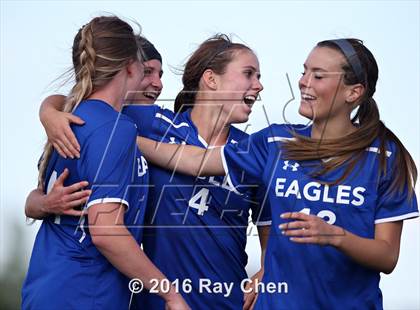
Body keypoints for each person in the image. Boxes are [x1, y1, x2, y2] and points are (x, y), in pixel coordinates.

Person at [136, 38, 419, 309]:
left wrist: (335, 236)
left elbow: (387, 256)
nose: (303, 81)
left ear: (353, 92)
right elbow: (196, 159)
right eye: (304, 71)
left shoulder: (385, 157)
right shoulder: (275, 142)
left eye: (318, 75)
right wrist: (126, 137)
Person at [27, 34, 270, 309]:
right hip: (159, 302)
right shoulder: (151, 121)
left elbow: (268, 232)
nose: (259, 85)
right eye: (249, 74)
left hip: (228, 302)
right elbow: (86, 103)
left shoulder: (251, 151)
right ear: (211, 79)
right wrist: (49, 112)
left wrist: (266, 271)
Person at [22, 16, 188, 309]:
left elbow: (38, 197)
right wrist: (170, 294)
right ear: (129, 66)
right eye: (144, 66)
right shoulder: (114, 127)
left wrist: (48, 108)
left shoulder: (71, 118)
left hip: (47, 285)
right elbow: (106, 234)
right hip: (84, 290)